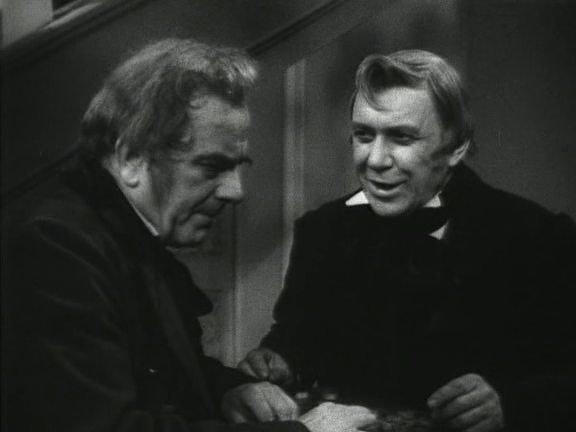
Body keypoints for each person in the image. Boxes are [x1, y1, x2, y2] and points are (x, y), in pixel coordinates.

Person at [2, 39, 377, 432]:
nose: (235, 191)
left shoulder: (118, 232)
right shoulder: (56, 245)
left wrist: (227, 390)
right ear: (131, 158)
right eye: (212, 166)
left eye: (238, 167)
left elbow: (160, 373)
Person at [238, 50, 576, 432]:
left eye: (401, 137)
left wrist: (510, 405)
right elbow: (297, 338)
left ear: (456, 146)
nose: (375, 160)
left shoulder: (537, 237)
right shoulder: (323, 230)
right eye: (364, 135)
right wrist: (279, 361)